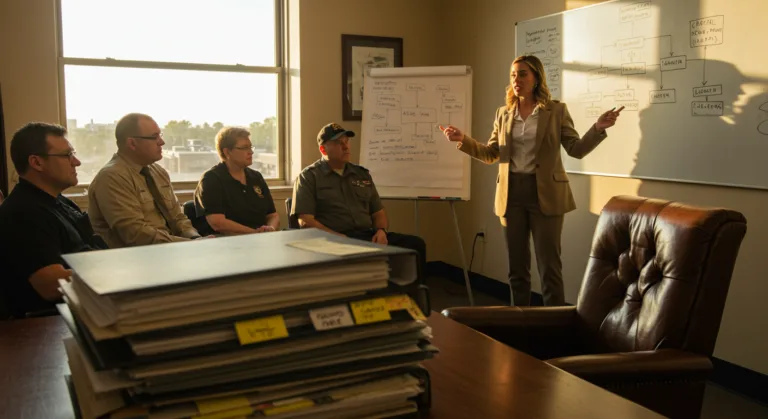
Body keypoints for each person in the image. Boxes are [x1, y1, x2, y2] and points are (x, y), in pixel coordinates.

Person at [440, 55, 622, 306]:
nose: (517, 79)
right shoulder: (503, 113)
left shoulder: (556, 111)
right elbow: (491, 154)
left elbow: (576, 149)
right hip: (511, 194)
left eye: (523, 74)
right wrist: (464, 140)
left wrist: (598, 128)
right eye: (513, 74)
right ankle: (520, 321)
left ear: (536, 78)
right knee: (516, 269)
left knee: (549, 267)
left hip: (546, 194)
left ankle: (554, 323)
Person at [0, 122, 107, 318]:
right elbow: (51, 285)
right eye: (67, 155)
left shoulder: (61, 202)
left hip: (86, 306)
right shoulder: (23, 213)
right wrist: (116, 273)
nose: (76, 162)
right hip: (53, 320)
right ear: (37, 163)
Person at [291, 123, 427, 276]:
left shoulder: (361, 174)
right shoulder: (309, 177)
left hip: (367, 236)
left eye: (346, 141)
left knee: (415, 244)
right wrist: (336, 237)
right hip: (333, 239)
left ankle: (412, 290)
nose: (346, 147)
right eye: (339, 143)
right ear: (323, 149)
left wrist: (381, 231)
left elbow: (378, 212)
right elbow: (305, 221)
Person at [88, 113, 204, 248]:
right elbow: (136, 234)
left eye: (160, 135)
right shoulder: (112, 178)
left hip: (170, 249)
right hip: (135, 257)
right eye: (154, 137)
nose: (162, 142)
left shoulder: (158, 172)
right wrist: (189, 245)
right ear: (132, 143)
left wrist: (195, 238)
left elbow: (178, 218)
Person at [194, 126, 279, 235]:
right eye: (244, 148)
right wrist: (254, 233)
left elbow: (272, 215)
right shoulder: (211, 179)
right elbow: (217, 223)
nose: (251, 152)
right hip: (227, 241)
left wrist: (270, 228)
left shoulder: (256, 177)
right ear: (227, 152)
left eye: (250, 147)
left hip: (260, 238)